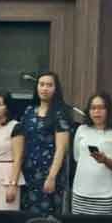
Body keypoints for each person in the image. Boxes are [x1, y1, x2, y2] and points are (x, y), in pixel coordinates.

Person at [20, 72, 71, 215]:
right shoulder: (29, 111)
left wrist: (52, 177)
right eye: (41, 84)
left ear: (56, 89)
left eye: (49, 85)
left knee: (47, 218)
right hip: (27, 172)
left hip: (49, 174)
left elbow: (61, 149)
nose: (44, 88)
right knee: (27, 217)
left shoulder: (60, 113)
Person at [72, 92, 112, 215]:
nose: (97, 111)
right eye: (93, 108)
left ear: (109, 110)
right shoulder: (81, 129)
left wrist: (105, 160)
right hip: (80, 194)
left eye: (101, 108)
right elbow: (77, 157)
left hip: (106, 196)